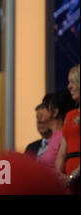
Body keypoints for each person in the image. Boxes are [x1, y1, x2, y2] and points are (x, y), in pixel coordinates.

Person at [56, 64, 80, 194]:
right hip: (69, 183)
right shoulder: (70, 115)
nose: (69, 87)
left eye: (72, 82)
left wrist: (72, 177)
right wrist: (59, 175)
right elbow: (62, 153)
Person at [38, 89, 74, 172]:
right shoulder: (54, 137)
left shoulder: (63, 136)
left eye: (45, 107)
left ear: (55, 112)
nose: (40, 112)